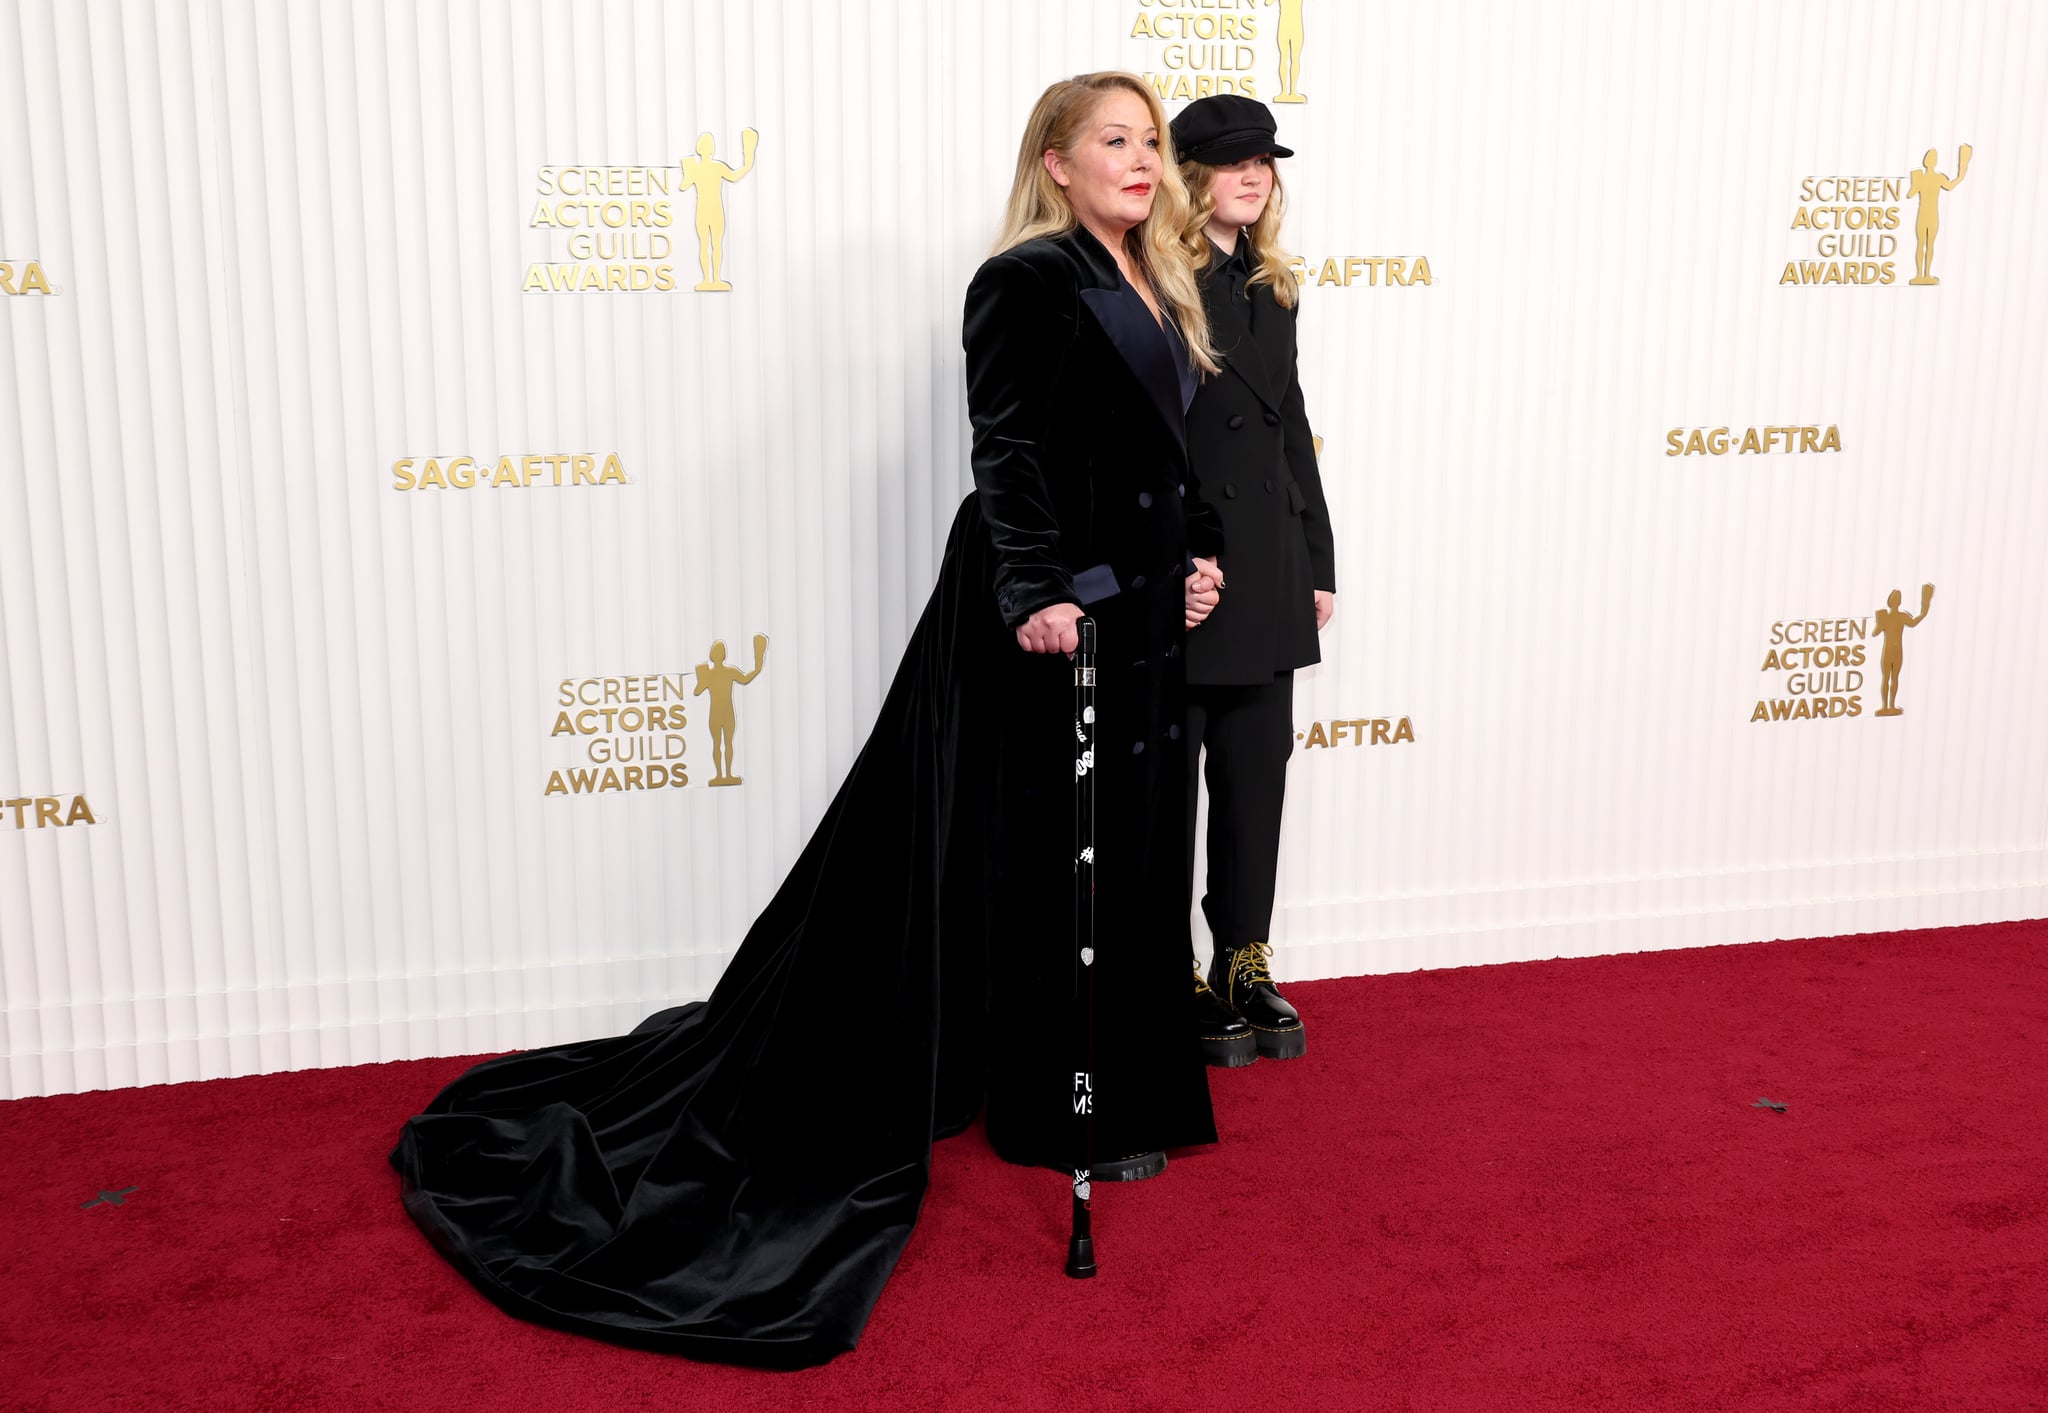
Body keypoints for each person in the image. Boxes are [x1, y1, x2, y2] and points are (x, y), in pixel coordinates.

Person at [388, 72, 1220, 1370]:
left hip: (1142, 602)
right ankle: (1059, 1109)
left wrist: (1204, 553)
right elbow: (1005, 451)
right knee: (1055, 841)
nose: (1139, 158)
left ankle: (1121, 1079)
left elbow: (1180, 455)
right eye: (1112, 139)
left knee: (1136, 834)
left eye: (1150, 140)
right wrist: (1033, 591)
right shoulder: (1024, 280)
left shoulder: (1165, 281)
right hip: (1050, 609)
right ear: (1053, 161)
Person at [1170, 94, 1336, 1066]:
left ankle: (1241, 956)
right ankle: (1166, 970)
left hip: (1267, 563)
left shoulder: (1272, 284)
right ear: (1190, 175)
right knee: (1163, 790)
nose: (1253, 177)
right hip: (1189, 570)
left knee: (1251, 777)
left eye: (1263, 162)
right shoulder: (1159, 281)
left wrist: (1313, 557)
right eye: (1232, 163)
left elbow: (1289, 428)